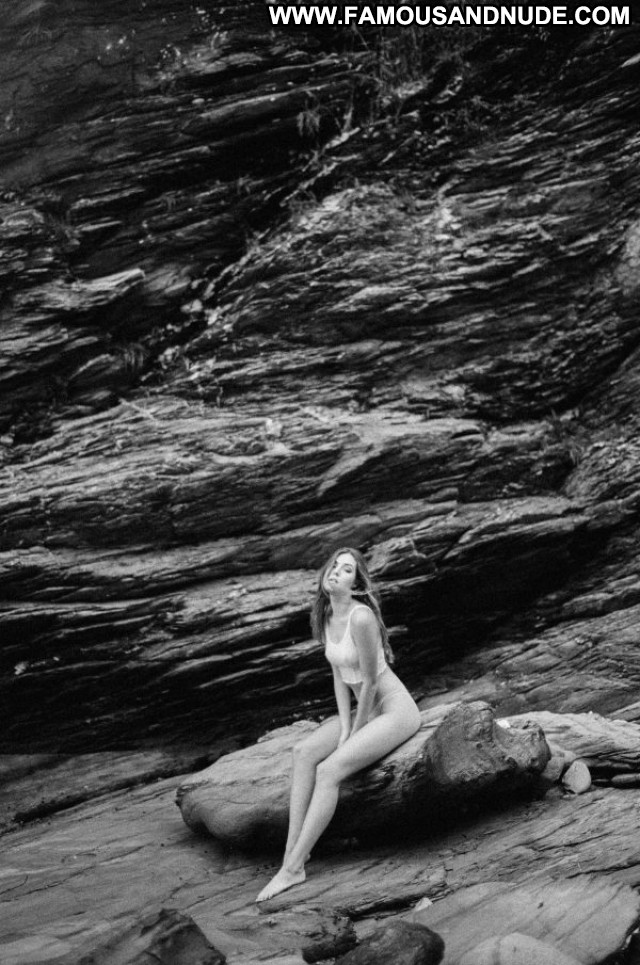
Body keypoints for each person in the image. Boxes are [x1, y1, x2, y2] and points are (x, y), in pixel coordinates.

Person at [256, 546, 422, 902]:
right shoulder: (327, 614)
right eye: (334, 565)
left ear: (357, 585)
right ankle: (292, 854)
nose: (335, 571)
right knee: (303, 753)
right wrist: (345, 727)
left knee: (329, 771)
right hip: (363, 709)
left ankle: (293, 870)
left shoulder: (361, 618)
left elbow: (371, 682)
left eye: (346, 569)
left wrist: (355, 734)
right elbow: (339, 676)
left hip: (393, 709)